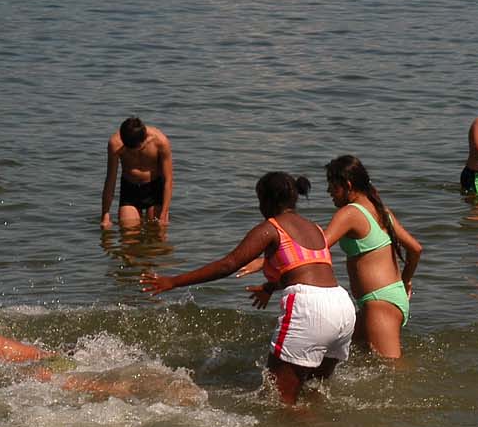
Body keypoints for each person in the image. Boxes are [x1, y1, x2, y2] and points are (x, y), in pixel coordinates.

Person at [141, 173, 354, 405]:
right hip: (342, 307)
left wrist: (173, 281)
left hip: (309, 309)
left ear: (267, 200)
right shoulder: (314, 228)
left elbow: (228, 265)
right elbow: (305, 270)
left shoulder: (271, 228)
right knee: (313, 392)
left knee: (279, 400)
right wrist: (269, 288)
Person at [0, 313, 202, 406]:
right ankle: (132, 390)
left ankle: (133, 390)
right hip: (52, 360)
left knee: (86, 385)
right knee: (86, 384)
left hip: (47, 365)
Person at [320, 156, 423, 360]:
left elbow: (317, 248)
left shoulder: (350, 213)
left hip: (379, 303)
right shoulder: (380, 210)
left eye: (332, 185)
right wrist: (405, 282)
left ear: (348, 185)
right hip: (389, 297)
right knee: (336, 357)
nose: (328, 191)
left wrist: (267, 259)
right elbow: (415, 249)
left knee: (392, 370)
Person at [100, 117, 173, 229]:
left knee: (157, 232)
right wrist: (105, 214)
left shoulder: (160, 141)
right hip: (129, 189)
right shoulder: (115, 143)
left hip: (154, 189)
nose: (131, 151)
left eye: (136, 148)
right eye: (128, 148)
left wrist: (164, 214)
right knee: (128, 231)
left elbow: (168, 180)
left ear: (144, 140)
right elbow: (111, 180)